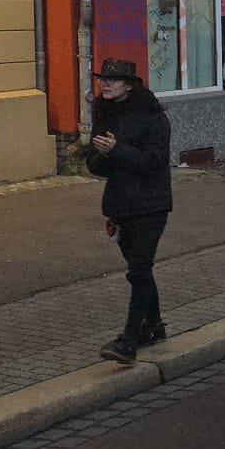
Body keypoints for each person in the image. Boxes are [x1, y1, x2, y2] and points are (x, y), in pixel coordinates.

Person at [85, 59, 172, 365]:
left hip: (151, 204)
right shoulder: (104, 112)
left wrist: (116, 150)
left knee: (138, 268)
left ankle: (128, 341)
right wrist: (101, 156)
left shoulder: (152, 116)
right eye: (103, 79)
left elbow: (154, 160)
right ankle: (155, 325)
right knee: (141, 271)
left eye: (114, 80)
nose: (106, 84)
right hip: (121, 206)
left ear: (130, 84)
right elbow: (95, 164)